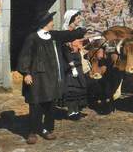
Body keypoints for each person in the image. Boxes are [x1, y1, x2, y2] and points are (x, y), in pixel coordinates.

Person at [17, 11, 86, 144]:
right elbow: (25, 56)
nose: (53, 23)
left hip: (51, 77)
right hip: (36, 77)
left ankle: (47, 129)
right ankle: (32, 131)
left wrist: (83, 31)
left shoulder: (53, 36)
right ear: (45, 23)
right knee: (35, 104)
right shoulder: (32, 38)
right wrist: (26, 73)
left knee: (49, 104)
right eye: (51, 21)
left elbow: (68, 35)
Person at [61, 10, 88, 120]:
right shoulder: (66, 32)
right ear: (71, 20)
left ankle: (76, 110)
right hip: (70, 63)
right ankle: (71, 111)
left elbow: (79, 44)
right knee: (71, 88)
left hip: (77, 61)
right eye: (77, 18)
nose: (79, 20)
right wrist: (72, 66)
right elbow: (65, 49)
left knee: (78, 86)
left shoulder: (75, 32)